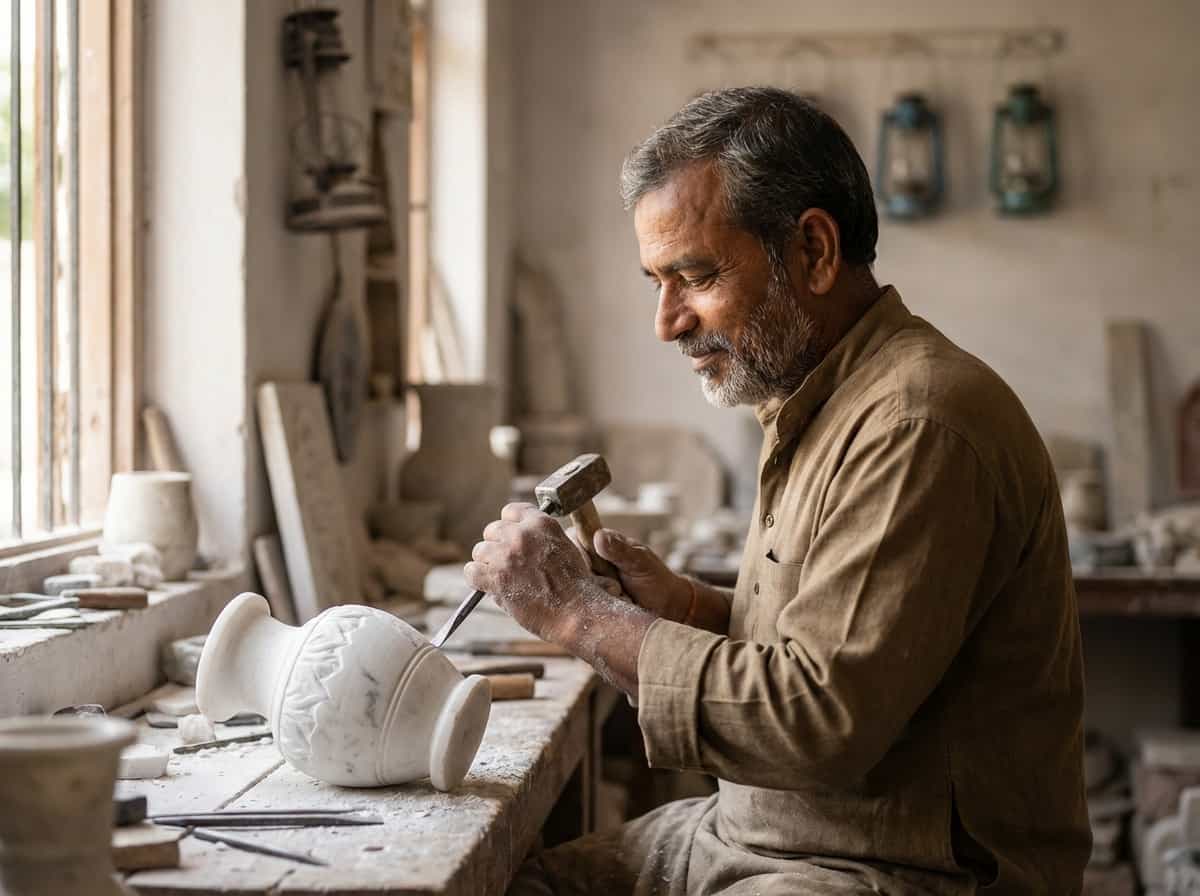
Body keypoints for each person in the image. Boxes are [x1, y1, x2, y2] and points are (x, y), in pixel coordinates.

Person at [465, 87, 1090, 895]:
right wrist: (685, 606)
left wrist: (577, 615)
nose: (668, 321)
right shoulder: (815, 398)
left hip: (889, 869)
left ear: (815, 252)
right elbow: (832, 642)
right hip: (756, 832)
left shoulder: (917, 422)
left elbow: (817, 720)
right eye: (657, 281)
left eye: (694, 275)